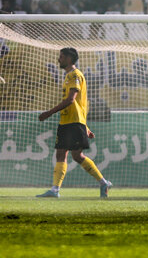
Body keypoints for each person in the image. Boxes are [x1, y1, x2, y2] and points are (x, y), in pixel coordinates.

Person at [37, 48, 112, 198]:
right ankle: (55, 190)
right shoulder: (68, 76)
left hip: (72, 122)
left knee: (76, 155)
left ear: (69, 58)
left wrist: (49, 113)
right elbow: (80, 104)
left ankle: (103, 182)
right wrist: (85, 126)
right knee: (63, 154)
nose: (59, 59)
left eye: (61, 56)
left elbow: (72, 100)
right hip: (68, 121)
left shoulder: (75, 75)